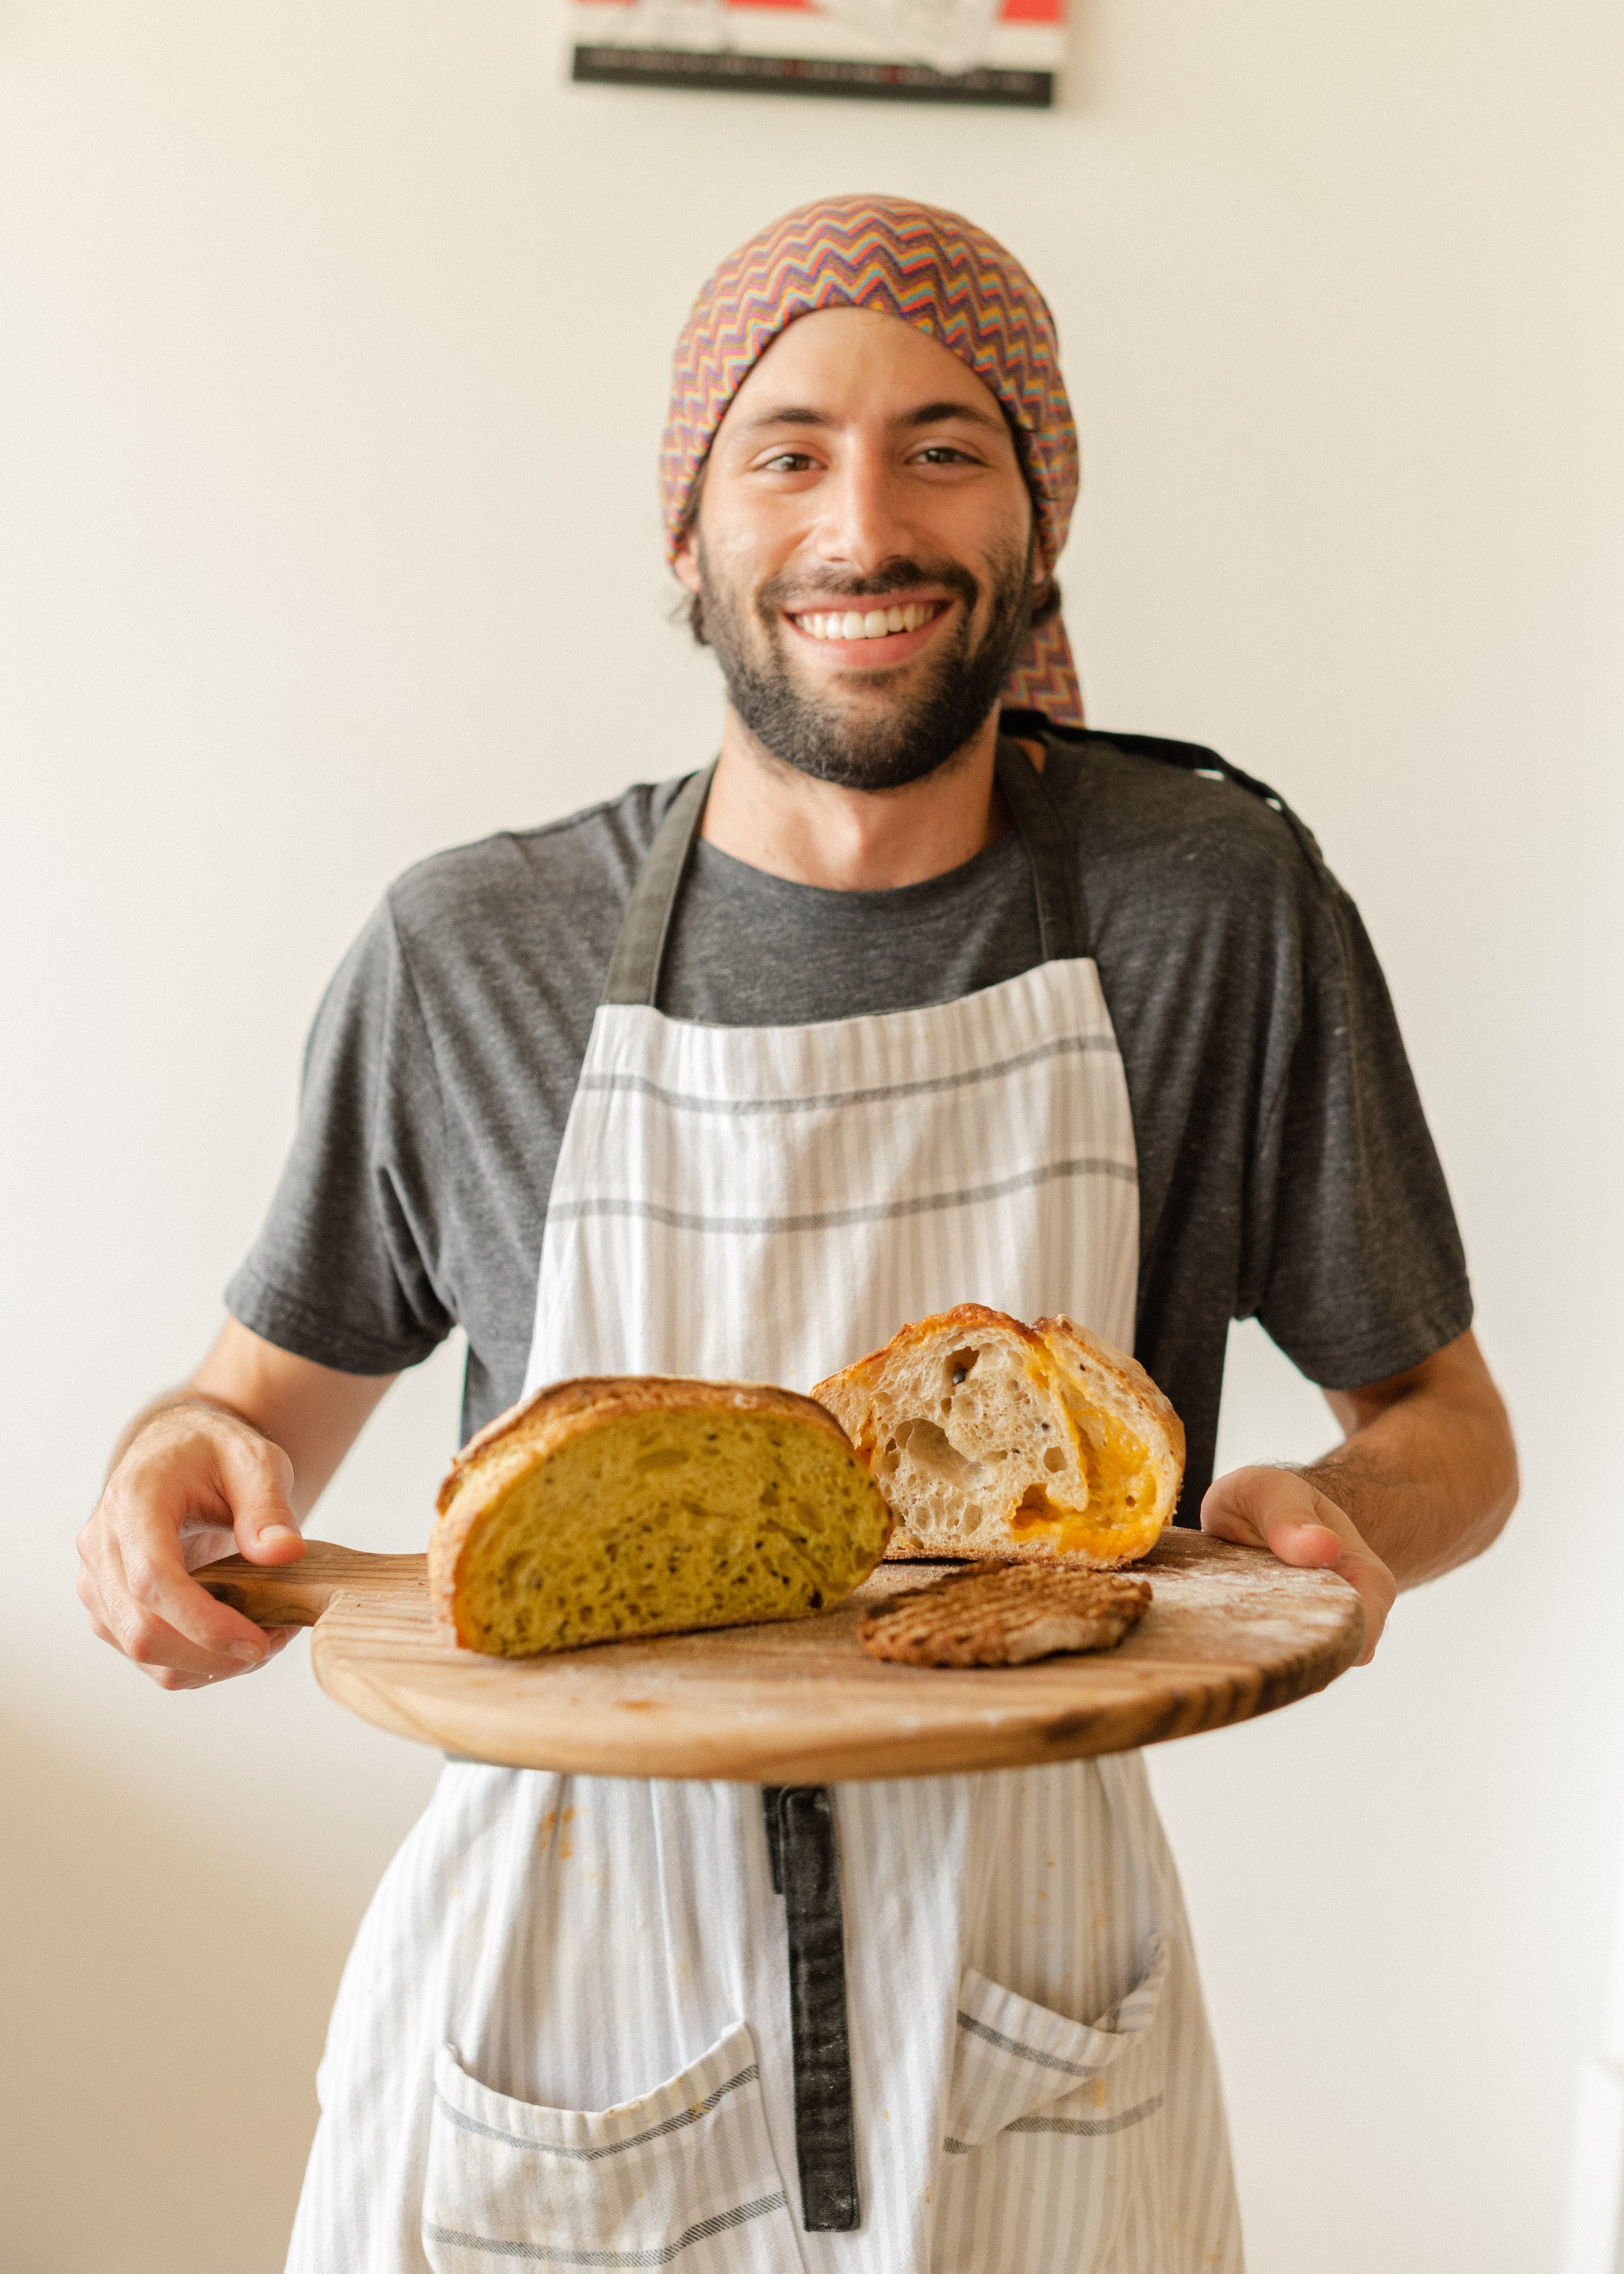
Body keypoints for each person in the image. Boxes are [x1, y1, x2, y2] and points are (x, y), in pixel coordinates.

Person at [77, 196, 1517, 2272]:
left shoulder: (1215, 911)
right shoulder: (474, 950)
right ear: (687, 532)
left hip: (1035, 2035)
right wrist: (166, 1480)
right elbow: (241, 1425)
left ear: (1039, 518)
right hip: (555, 2028)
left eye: (945, 443)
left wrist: (1340, 1507)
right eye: (785, 450)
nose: (866, 521)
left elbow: (1449, 1423)